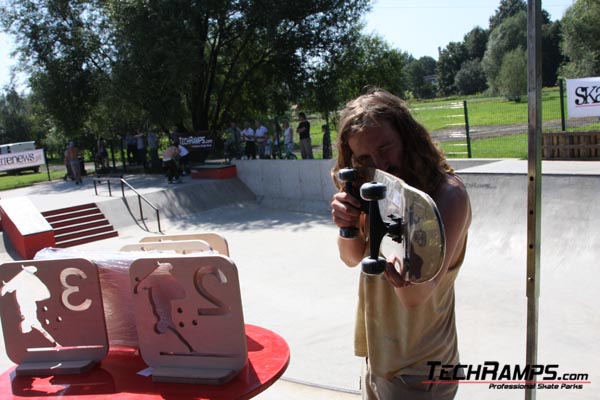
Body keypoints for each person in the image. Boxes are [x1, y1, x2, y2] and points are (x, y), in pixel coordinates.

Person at [330, 89, 471, 400]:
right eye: (365, 158)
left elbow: (417, 295)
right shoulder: (375, 188)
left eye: (385, 148)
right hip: (379, 356)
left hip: (421, 369)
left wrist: (399, 269)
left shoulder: (448, 195)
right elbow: (351, 258)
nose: (380, 164)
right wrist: (347, 225)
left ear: (407, 138)